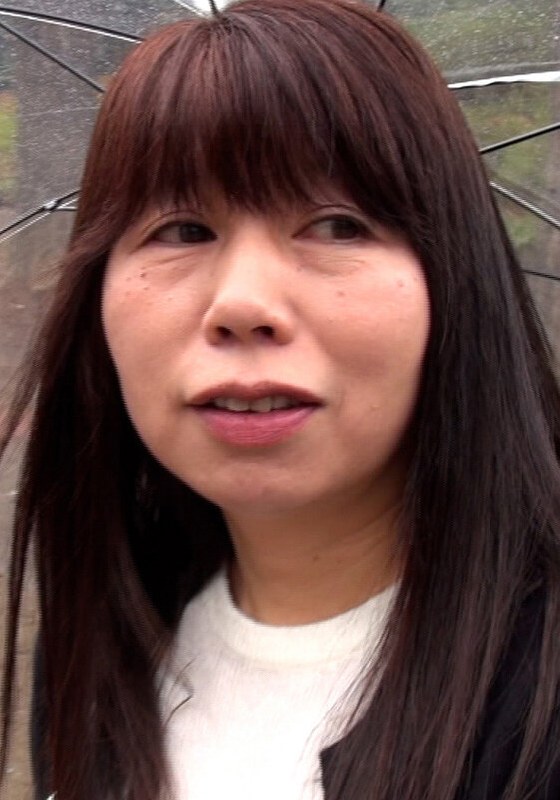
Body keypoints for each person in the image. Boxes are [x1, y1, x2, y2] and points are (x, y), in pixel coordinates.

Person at [1, 0, 560, 798]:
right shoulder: (99, 648)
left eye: (337, 226)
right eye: (183, 230)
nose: (243, 303)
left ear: (453, 281)